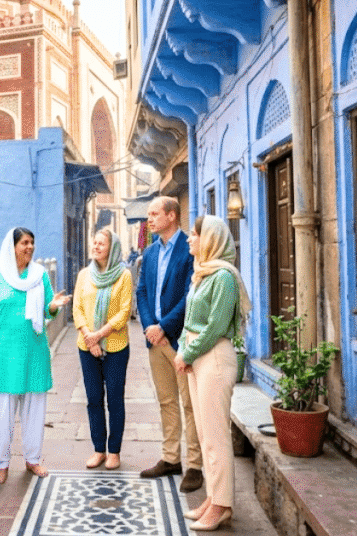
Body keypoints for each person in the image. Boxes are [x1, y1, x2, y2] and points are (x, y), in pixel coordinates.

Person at [0, 228, 71, 485]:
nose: (29, 247)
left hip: (33, 350)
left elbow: (48, 311)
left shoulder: (40, 276)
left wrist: (54, 306)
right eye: (24, 243)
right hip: (3, 352)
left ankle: (33, 459)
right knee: (2, 411)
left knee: (34, 407)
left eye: (32, 242)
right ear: (12, 246)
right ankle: (2, 464)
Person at [173, 215, 251, 531]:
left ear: (210, 239)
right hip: (196, 356)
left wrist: (186, 354)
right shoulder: (203, 275)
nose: (190, 239)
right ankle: (214, 498)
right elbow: (191, 320)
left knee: (216, 435)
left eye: (195, 234)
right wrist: (183, 350)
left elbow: (216, 326)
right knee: (205, 434)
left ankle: (221, 505)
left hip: (214, 358)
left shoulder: (224, 278)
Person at [135, 196, 203, 491]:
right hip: (156, 341)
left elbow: (192, 295)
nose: (149, 219)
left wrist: (164, 327)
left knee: (190, 404)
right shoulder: (150, 253)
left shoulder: (190, 249)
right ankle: (171, 458)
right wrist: (151, 326)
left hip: (180, 339)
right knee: (166, 402)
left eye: (154, 214)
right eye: (148, 214)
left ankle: (196, 465)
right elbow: (142, 291)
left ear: (172, 216)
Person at [73, 228, 132, 470]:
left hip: (116, 347)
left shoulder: (124, 275)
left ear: (113, 248)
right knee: (93, 399)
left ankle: (114, 451)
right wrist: (89, 337)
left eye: (101, 243)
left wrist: (99, 335)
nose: (96, 247)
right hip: (87, 347)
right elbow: (77, 308)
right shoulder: (84, 275)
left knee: (115, 399)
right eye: (94, 242)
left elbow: (124, 311)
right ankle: (99, 450)